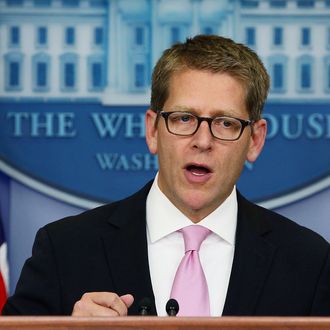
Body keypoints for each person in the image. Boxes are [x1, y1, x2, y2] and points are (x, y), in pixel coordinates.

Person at [2, 35, 330, 317]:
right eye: (184, 118)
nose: (203, 141)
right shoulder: (65, 250)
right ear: (153, 130)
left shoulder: (309, 262)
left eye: (226, 123)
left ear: (255, 140)